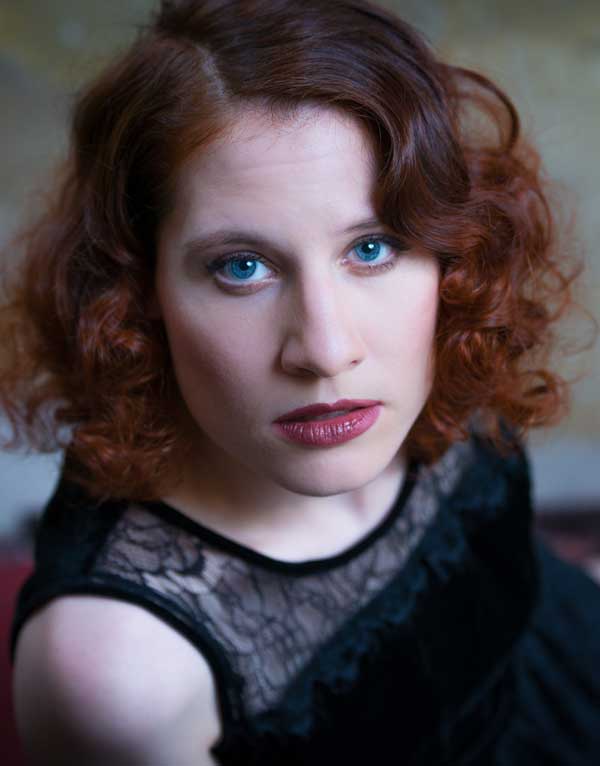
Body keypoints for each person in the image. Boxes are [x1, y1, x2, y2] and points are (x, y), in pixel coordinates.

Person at [2, 1, 599, 764]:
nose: (327, 350)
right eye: (241, 266)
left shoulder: (435, 341)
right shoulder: (121, 676)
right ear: (138, 291)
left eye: (373, 248)